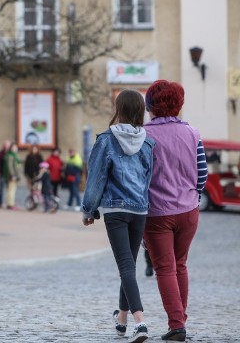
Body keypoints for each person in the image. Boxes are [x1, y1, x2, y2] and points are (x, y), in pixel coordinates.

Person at [81, 89, 155, 343]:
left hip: (115, 210)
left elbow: (96, 177)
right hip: (139, 210)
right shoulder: (148, 142)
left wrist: (89, 209)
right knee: (130, 266)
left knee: (126, 267)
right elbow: (148, 180)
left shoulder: (105, 140)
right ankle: (122, 318)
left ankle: (140, 322)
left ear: (119, 109)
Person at [143, 80, 208, 342]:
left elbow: (140, 175)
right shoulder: (193, 133)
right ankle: (180, 319)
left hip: (157, 211)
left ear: (150, 105)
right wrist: (193, 195)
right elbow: (202, 174)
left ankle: (176, 324)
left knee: (165, 268)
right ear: (178, 104)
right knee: (180, 264)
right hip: (189, 210)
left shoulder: (144, 134)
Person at [3, 142, 21, 210]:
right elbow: (10, 166)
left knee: (11, 190)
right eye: (14, 147)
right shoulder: (10, 156)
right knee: (11, 190)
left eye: (16, 147)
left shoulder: (14, 155)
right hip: (12, 176)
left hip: (14, 175)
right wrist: (12, 175)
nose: (16, 148)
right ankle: (10, 204)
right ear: (11, 148)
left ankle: (10, 203)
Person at [0, 140, 11, 208]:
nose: (7, 146)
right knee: (1, 188)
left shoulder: (11, 153)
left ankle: (9, 203)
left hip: (9, 174)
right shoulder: (0, 153)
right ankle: (0, 203)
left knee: (9, 189)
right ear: (3, 146)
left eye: (8, 145)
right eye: (6, 145)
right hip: (2, 173)